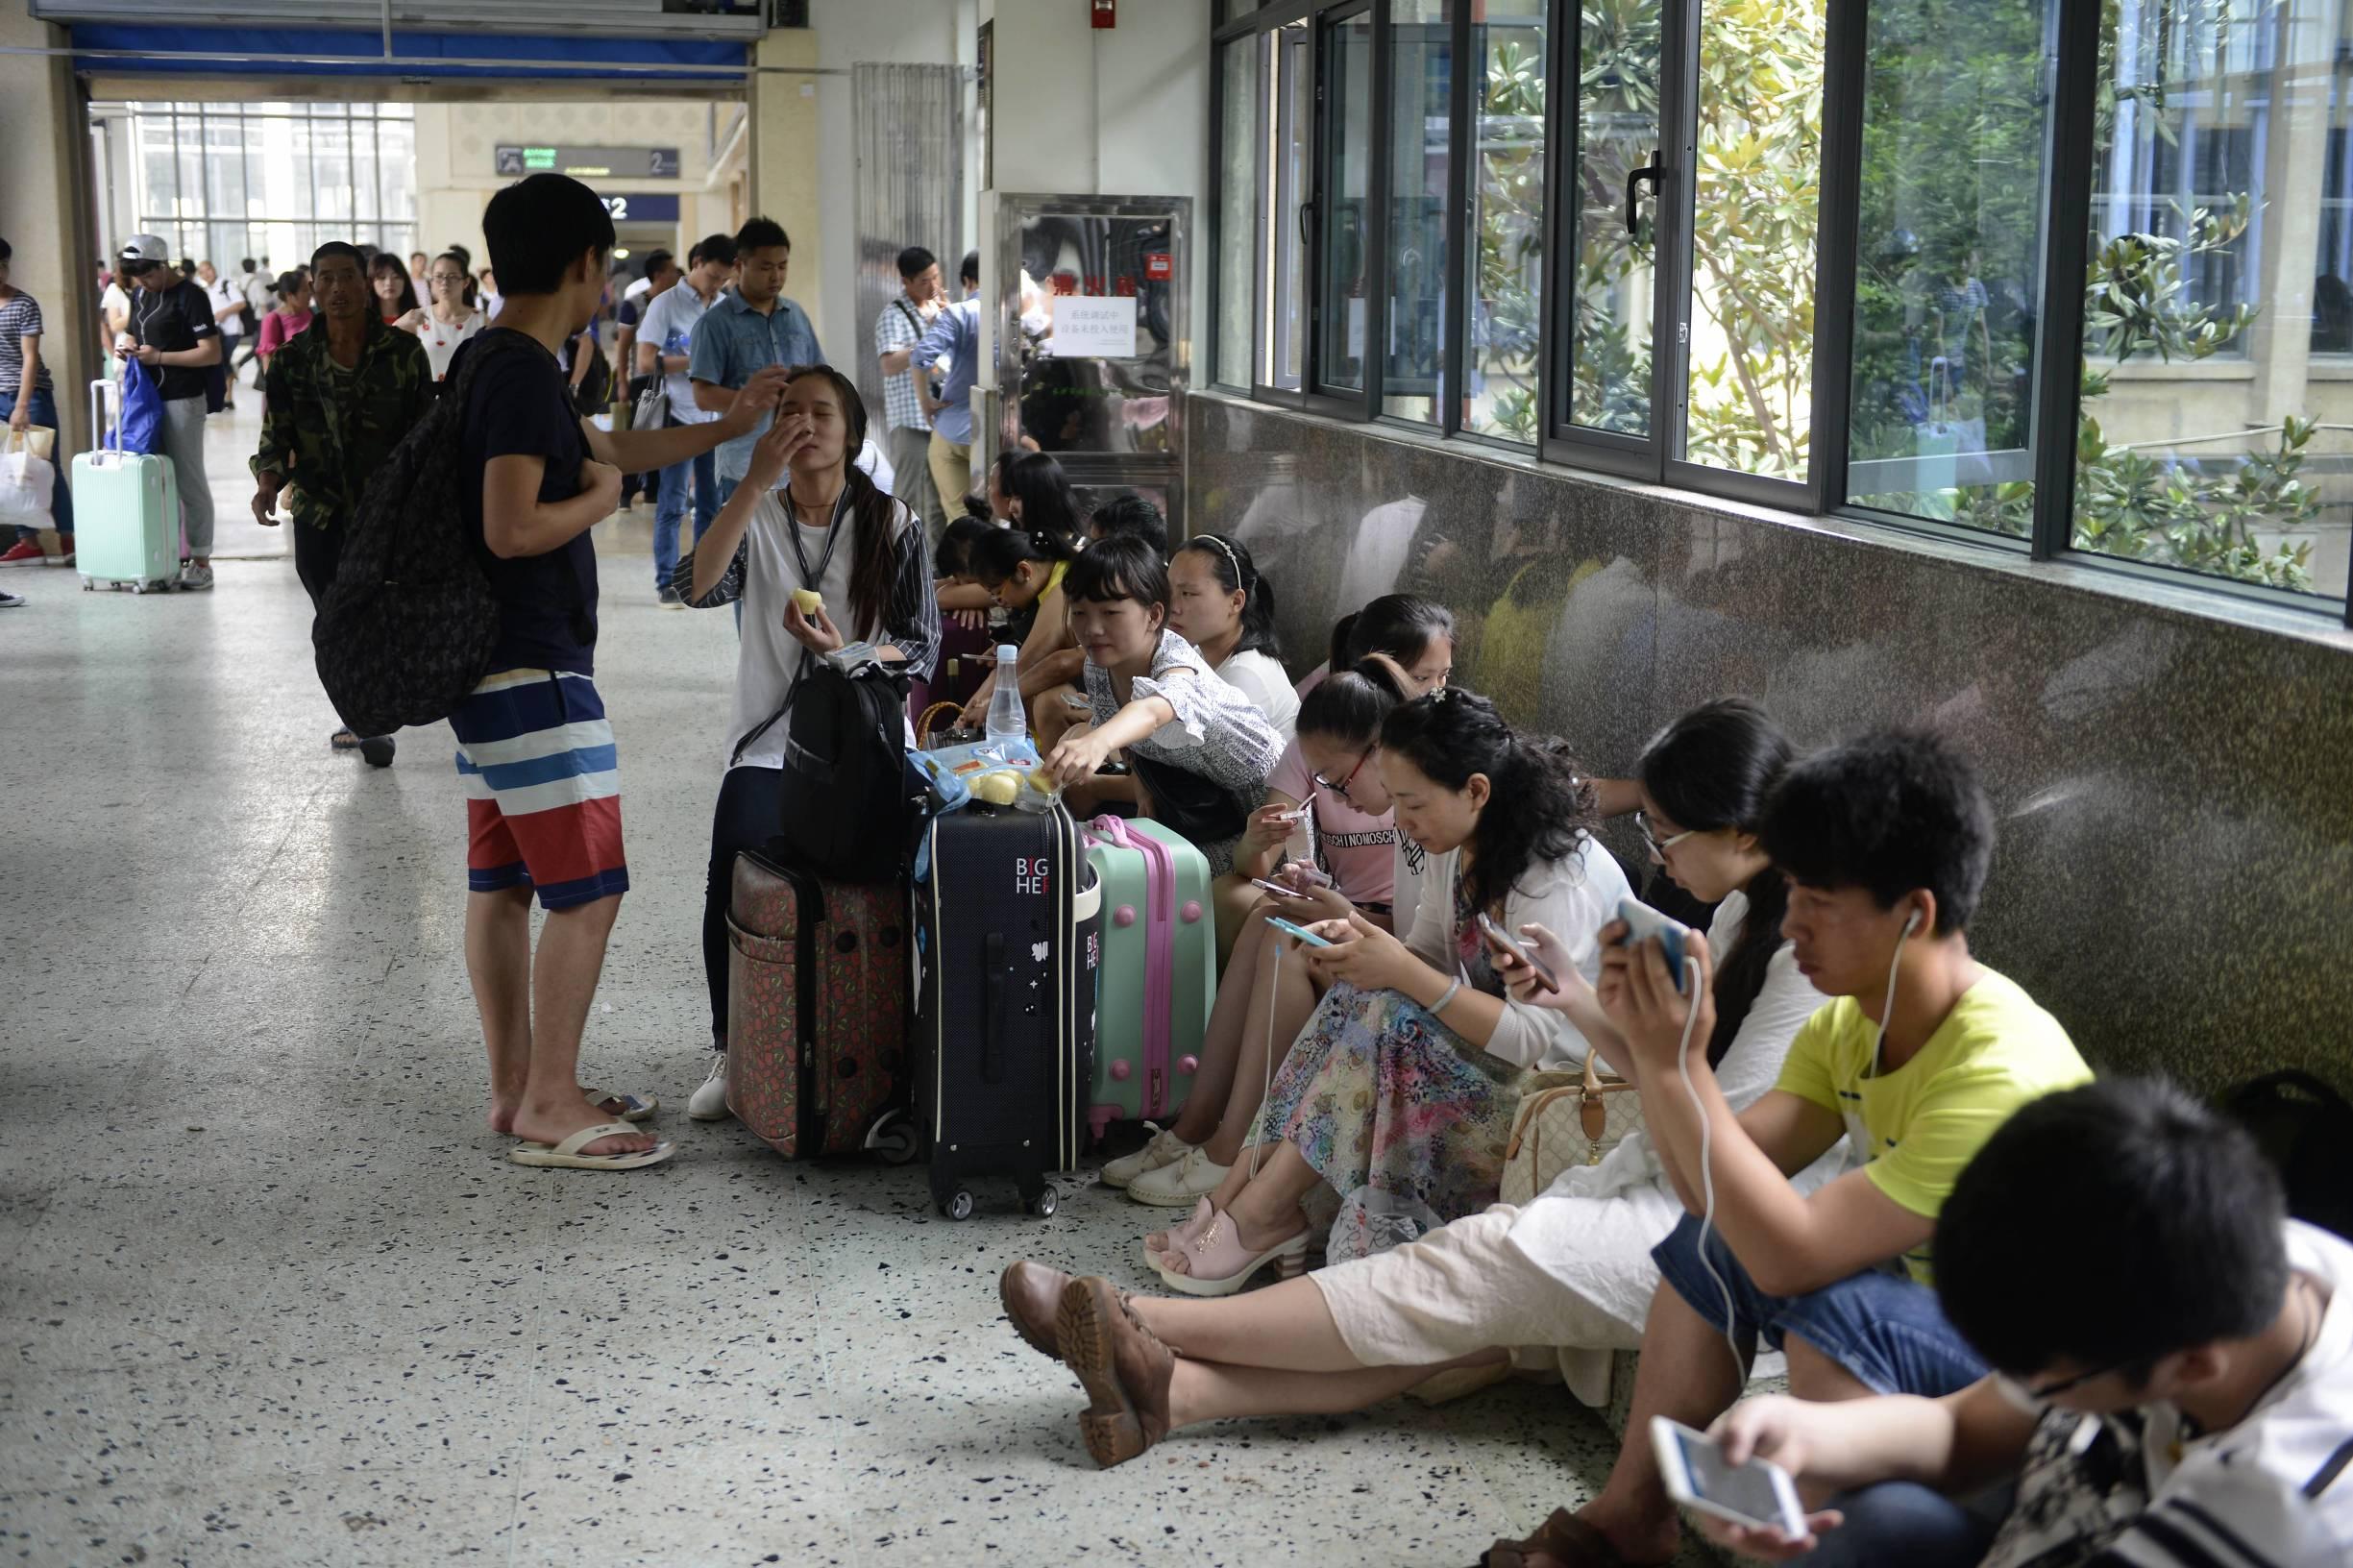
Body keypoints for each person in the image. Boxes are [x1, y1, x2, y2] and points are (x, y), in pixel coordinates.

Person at [1005, 699, 1837, 1459]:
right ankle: (1177, 1388)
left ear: (1748, 833)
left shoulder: (1791, 949)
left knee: (1459, 1266)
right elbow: (1677, 1108)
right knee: (1452, 1314)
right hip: (1662, 1182)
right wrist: (1580, 1001)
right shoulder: (1744, 914)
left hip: (1696, 1206)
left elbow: (1714, 1165)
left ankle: (1145, 1318)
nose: (1655, 857)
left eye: (1664, 835)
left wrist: (1646, 1048)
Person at [1474, 727, 2094, 1568]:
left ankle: (1805, 1527)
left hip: (2023, 1372)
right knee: (1712, 1237)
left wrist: (1674, 1064)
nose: (1790, 924)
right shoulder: (1851, 1021)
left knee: (1840, 1306)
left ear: (1914, 913)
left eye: (1818, 901)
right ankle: (1630, 1519)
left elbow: (1794, 1257)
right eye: (1790, 890)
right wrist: (1657, 1055)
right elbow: (1718, 1188)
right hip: (1925, 1313)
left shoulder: (1997, 1072)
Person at [445, 172, 789, 1174]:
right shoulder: (517, 374)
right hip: (532, 666)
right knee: (587, 890)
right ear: (588, 265)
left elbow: (607, 444)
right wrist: (604, 504)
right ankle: (551, 1100)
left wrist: (729, 431)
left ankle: (520, 1089)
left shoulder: (501, 359)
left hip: (492, 673)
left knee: (505, 880)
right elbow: (512, 526)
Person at [1701, 1077, 2353, 1568]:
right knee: (1879, 1524)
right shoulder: (2217, 1244)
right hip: (2070, 1513)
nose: (2023, 1388)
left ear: (2190, 1366)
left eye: (2045, 1386)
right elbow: (1961, 1430)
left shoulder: (2280, 1514)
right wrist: (1802, 1432)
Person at [1152, 690, 1631, 1296]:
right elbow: (1428, 955)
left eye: (1411, 803)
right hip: (1504, 1069)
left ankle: (1257, 1209)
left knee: (1386, 1008)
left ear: (1477, 790)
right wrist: (1354, 937)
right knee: (1366, 995)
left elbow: (1529, 1039)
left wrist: (1394, 967)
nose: (1399, 822)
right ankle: (1242, 1196)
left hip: (1557, 1093)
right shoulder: (1453, 844)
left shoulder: (1556, 876)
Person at [672, 364, 941, 1122]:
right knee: (733, 868)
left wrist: (844, 652)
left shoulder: (892, 523)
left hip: (863, 744)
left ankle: (875, 1037)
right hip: (766, 740)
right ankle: (735, 1046)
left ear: (852, 435)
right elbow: (693, 586)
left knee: (875, 881)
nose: (805, 424)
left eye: (821, 412)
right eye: (790, 411)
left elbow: (920, 647)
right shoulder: (757, 514)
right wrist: (751, 484)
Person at [1108, 653, 1438, 1210]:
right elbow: (1258, 865)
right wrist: (1318, 889)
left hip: (1409, 971)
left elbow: (1423, 953)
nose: (1332, 795)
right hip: (1384, 937)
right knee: (1270, 915)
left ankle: (1231, 1147)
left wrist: (1344, 913)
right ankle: (1197, 1125)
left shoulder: (1425, 819)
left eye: (1337, 780)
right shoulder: (1412, 812)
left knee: (1283, 934)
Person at [248, 241, 433, 767]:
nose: (336, 289)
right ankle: (361, 711)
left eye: (346, 277)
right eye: (324, 279)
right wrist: (266, 482)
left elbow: (425, 435)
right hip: (319, 514)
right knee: (333, 620)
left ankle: (370, 710)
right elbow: (275, 433)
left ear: (366, 283)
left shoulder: (402, 354)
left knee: (378, 614)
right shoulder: (291, 360)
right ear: (312, 286)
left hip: (385, 514)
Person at [1038, 535, 1283, 880]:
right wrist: (1143, 782)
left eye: (1110, 613)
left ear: (1154, 615)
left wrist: (1098, 741)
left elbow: (1156, 709)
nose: (1092, 629)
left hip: (1269, 810)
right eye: (1080, 612)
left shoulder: (1176, 659)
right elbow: (1133, 739)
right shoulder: (1098, 666)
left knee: (1150, 883)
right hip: (1201, 811)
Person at [687, 216, 821, 517]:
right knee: (747, 556)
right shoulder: (714, 324)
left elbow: (819, 373)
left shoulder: (796, 315)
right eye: (765, 267)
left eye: (782, 266)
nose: (776, 276)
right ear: (739, 266)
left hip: (800, 460)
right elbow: (703, 395)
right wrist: (751, 399)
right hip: (744, 464)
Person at [116, 233, 222, 592]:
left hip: (182, 399)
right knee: (156, 480)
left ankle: (202, 559)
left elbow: (210, 352)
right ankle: (165, 556)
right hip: (147, 401)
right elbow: (134, 332)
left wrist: (159, 357)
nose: (142, 282)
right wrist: (128, 347)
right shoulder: (141, 294)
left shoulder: (191, 297)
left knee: (188, 480)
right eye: (136, 277)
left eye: (147, 274)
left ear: (164, 266)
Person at [637, 234, 736, 608]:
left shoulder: (727, 306)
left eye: (724, 279)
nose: (716, 285)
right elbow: (646, 362)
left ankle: (700, 578)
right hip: (677, 414)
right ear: (696, 263)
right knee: (673, 502)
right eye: (712, 275)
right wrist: (699, 362)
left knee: (711, 505)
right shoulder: (666, 304)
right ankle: (667, 581)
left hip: (716, 418)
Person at [1165, 532, 1299, 741]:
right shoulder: (1198, 652)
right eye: (1168, 590)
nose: (1172, 607)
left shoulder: (1246, 674)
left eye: (1187, 593)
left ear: (1236, 601)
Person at [0, 237, 75, 570]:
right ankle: (27, 542)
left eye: (1, 268)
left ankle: (69, 539)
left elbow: (30, 359)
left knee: (46, 467)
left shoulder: (24, 304)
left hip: (30, 395)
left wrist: (22, 405)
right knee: (10, 471)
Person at [872, 244, 945, 538]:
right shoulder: (894, 315)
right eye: (924, 281)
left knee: (939, 497)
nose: (933, 286)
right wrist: (925, 345)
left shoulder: (938, 309)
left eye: (936, 277)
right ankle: (900, 559)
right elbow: (889, 364)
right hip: (910, 418)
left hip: (941, 416)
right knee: (910, 494)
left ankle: (936, 567)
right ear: (906, 282)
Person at [910, 250, 982, 514]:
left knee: (961, 517)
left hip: (954, 429)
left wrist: (925, 403)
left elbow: (920, 358)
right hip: (999, 434)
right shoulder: (1013, 315)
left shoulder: (960, 314)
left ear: (967, 281)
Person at [392, 251, 485, 382]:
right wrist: (400, 323)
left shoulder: (481, 320)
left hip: (471, 399)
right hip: (430, 399)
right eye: (438, 276)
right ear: (431, 280)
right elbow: (386, 347)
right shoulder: (418, 317)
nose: (444, 282)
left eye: (452, 276)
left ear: (466, 282)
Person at [197, 260, 245, 412]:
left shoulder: (226, 284)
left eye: (208, 269)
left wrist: (225, 312)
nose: (207, 274)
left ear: (214, 269)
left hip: (231, 331)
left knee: (221, 361)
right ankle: (227, 398)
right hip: (217, 332)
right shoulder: (207, 290)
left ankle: (226, 395)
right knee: (222, 362)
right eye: (202, 272)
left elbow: (241, 303)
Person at [256, 273, 313, 374]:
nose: (310, 293)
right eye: (304, 290)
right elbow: (267, 359)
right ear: (289, 295)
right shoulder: (272, 319)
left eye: (309, 289)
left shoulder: (311, 313)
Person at [368, 253, 419, 327]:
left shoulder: (417, 317)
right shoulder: (363, 320)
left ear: (405, 281)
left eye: (396, 277)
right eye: (382, 277)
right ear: (370, 282)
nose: (389, 283)